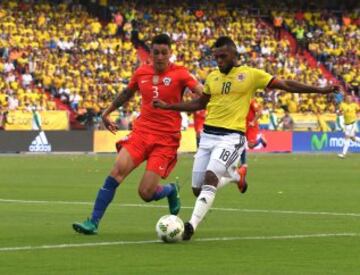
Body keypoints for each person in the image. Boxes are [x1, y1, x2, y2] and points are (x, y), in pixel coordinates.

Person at [153, 36, 339, 241]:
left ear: (235, 55)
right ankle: (234, 176)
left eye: (223, 56)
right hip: (207, 137)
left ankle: (190, 226)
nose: (219, 61)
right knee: (198, 189)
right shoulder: (213, 77)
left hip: (231, 137)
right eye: (216, 57)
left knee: (210, 179)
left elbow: (285, 84)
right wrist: (169, 106)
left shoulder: (250, 75)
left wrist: (320, 90)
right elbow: (199, 103)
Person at [72, 34, 203, 235]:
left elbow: (201, 94)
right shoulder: (142, 72)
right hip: (141, 134)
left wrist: (195, 100)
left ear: (170, 53)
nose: (160, 57)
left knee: (146, 193)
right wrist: (107, 112)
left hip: (166, 140)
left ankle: (170, 190)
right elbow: (127, 93)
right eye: (156, 52)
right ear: (150, 53)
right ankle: (93, 222)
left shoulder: (181, 74)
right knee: (116, 171)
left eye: (164, 53)